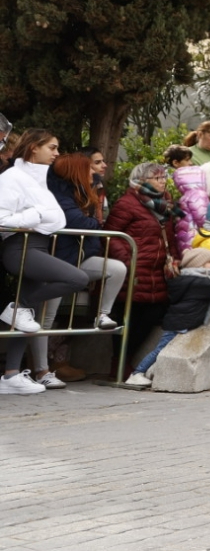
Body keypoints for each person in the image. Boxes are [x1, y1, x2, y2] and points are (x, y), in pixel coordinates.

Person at [0, 130, 89, 395]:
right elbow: (2, 219)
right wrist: (36, 215)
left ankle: (11, 375)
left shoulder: (36, 180)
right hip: (21, 249)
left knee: (26, 317)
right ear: (33, 148)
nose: (57, 153)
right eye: (52, 147)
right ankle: (17, 307)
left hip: (36, 247)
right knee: (78, 278)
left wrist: (38, 216)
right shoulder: (12, 177)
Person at [30, 154, 128, 388]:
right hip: (55, 262)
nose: (95, 172)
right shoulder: (58, 192)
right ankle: (41, 371)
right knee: (46, 319)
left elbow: (88, 223)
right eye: (89, 168)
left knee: (116, 268)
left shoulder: (83, 192)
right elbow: (75, 221)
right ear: (76, 173)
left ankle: (102, 315)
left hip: (77, 258)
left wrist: (92, 223)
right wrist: (94, 223)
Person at [105, 162, 181, 379]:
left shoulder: (165, 204)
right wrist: (127, 259)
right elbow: (111, 235)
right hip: (134, 270)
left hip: (158, 272)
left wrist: (174, 258)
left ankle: (124, 361)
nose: (163, 181)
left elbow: (170, 235)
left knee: (152, 314)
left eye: (164, 177)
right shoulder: (127, 203)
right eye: (157, 178)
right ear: (141, 181)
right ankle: (119, 364)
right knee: (129, 317)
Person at [124, 248, 210, 389]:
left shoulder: (184, 279)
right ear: (199, 264)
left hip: (177, 320)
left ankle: (143, 372)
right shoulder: (197, 282)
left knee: (161, 349)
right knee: (160, 349)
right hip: (180, 323)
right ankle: (137, 373)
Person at [166, 145, 210, 252]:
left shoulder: (174, 186)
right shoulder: (195, 191)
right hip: (196, 240)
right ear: (175, 163)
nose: (191, 163)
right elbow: (203, 217)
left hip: (184, 238)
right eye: (187, 160)